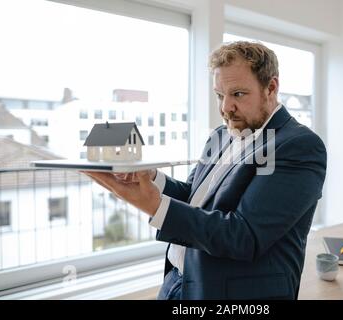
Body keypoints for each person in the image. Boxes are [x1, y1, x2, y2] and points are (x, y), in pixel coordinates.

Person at [84, 41, 327, 300]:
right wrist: (151, 177)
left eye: (238, 94)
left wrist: (155, 206)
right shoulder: (221, 135)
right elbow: (195, 197)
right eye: (220, 95)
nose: (225, 108)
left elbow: (244, 236)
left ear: (271, 87)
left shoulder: (299, 146)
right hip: (179, 282)